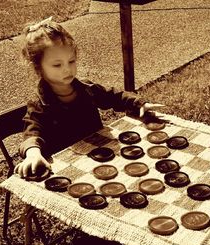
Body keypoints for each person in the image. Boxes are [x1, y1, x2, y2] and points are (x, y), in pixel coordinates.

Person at [14, 17, 163, 178]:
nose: (67, 69)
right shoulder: (39, 105)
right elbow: (32, 133)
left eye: (71, 61)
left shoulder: (87, 89)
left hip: (103, 158)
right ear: (38, 67)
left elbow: (115, 96)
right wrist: (33, 154)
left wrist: (139, 104)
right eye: (57, 65)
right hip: (69, 169)